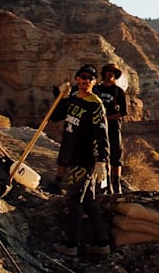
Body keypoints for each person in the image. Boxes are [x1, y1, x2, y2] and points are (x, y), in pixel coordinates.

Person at [52, 64, 110, 258]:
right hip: (72, 154)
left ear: (94, 82)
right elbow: (55, 116)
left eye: (90, 78)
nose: (86, 81)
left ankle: (71, 244)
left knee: (74, 199)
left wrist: (102, 160)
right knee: (89, 201)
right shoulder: (73, 99)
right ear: (77, 78)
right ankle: (102, 243)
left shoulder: (96, 105)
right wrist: (61, 97)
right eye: (83, 77)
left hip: (85, 158)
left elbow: (102, 135)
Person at [96, 64, 128, 195]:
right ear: (104, 73)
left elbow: (123, 112)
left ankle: (116, 183)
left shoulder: (119, 92)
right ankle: (104, 183)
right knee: (101, 156)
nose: (110, 74)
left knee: (116, 157)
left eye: (113, 72)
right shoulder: (96, 89)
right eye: (108, 71)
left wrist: (107, 118)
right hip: (98, 127)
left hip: (113, 128)